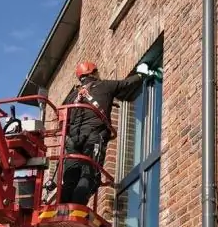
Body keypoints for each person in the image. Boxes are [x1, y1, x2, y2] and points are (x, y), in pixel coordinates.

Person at [59, 60, 157, 205]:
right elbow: (126, 84)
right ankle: (76, 208)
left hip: (72, 141)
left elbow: (62, 120)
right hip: (93, 137)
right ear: (94, 73)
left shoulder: (71, 96)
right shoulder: (103, 86)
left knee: (70, 178)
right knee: (89, 174)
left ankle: (62, 209)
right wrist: (141, 74)